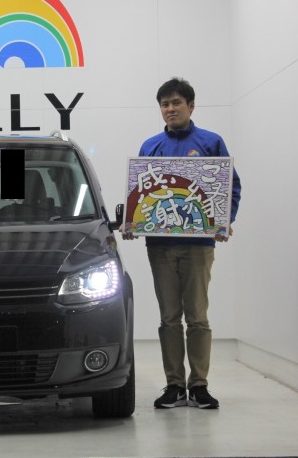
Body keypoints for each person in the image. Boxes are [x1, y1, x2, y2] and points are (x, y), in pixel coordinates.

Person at [123, 77, 241, 410]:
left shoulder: (211, 142)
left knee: (198, 317)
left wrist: (224, 220)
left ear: (191, 106)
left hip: (198, 246)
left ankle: (199, 385)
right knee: (169, 318)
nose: (170, 109)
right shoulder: (150, 146)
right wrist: (132, 222)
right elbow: (140, 194)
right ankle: (174, 385)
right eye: (165, 104)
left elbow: (231, 187)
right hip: (159, 246)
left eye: (176, 103)